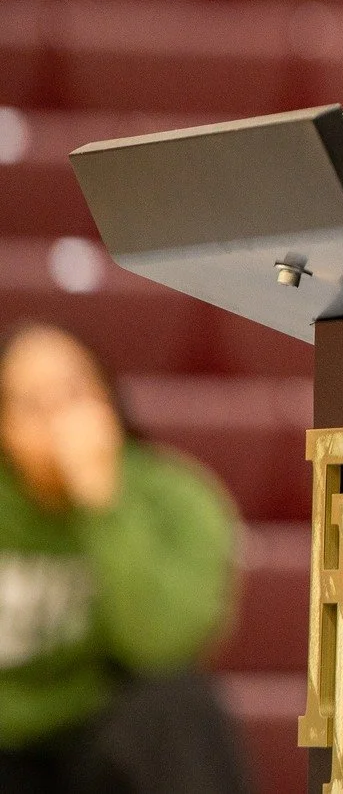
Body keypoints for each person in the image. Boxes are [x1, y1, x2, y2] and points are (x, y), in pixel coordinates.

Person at [0, 321, 250, 794]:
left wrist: (102, 503)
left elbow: (163, 644)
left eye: (74, 393)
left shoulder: (174, 496)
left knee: (180, 705)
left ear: (108, 399)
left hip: (104, 739)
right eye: (31, 403)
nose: (58, 417)